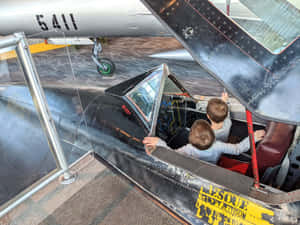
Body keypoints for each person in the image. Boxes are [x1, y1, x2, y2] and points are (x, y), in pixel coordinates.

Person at [143, 119, 265, 164]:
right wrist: (252, 138)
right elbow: (238, 149)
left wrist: (160, 142)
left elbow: (173, 155)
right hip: (212, 165)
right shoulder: (218, 145)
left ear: (190, 138)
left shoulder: (188, 149)